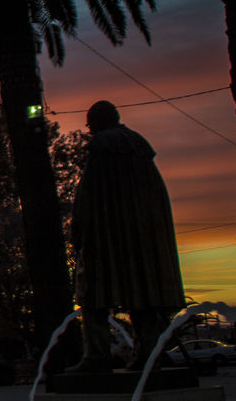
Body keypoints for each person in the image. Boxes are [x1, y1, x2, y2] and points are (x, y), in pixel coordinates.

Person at [69, 100, 185, 373]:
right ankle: (150, 352)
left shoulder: (100, 150)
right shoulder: (140, 150)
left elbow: (87, 197)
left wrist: (79, 232)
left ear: (95, 123)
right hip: (141, 238)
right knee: (142, 292)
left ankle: (97, 356)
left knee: (92, 294)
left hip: (106, 238)